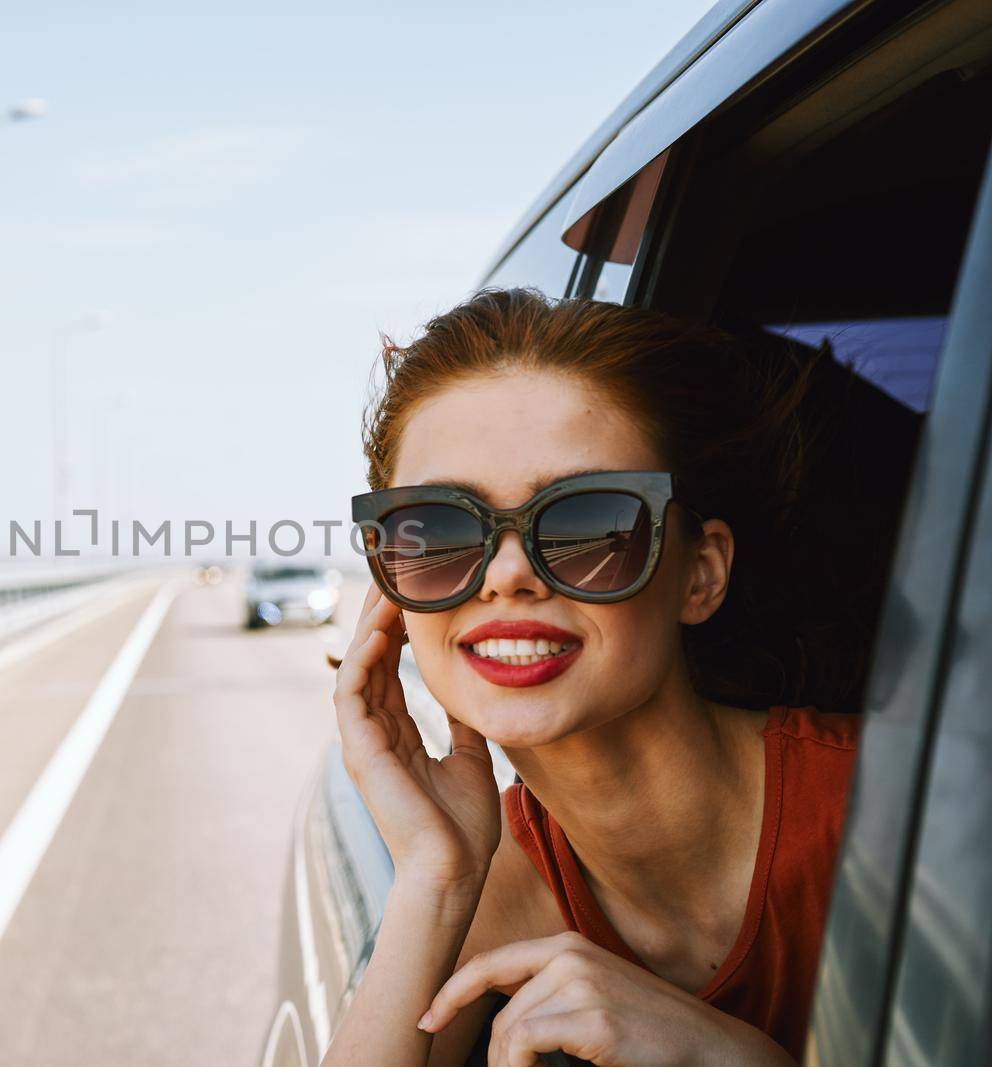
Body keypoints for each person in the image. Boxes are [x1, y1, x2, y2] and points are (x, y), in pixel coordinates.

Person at [326, 288, 864, 1066]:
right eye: (438, 529)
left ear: (698, 575)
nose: (506, 574)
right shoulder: (494, 876)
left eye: (586, 522)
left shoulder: (904, 813)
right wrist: (433, 875)